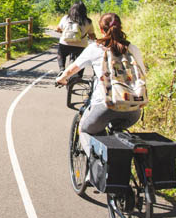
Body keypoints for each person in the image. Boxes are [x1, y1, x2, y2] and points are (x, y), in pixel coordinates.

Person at [55, 12, 145, 157]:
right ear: (121, 27)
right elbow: (142, 74)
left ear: (102, 30)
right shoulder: (133, 49)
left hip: (106, 105)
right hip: (133, 109)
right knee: (117, 128)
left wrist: (62, 79)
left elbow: (72, 69)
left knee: (84, 129)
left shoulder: (95, 48)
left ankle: (95, 166)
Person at [55, 1, 95, 77]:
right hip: (81, 45)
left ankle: (62, 69)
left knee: (61, 54)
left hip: (65, 43)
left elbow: (58, 28)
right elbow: (91, 35)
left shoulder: (66, 18)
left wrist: (60, 31)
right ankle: (79, 76)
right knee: (82, 59)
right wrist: (93, 37)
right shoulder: (88, 21)